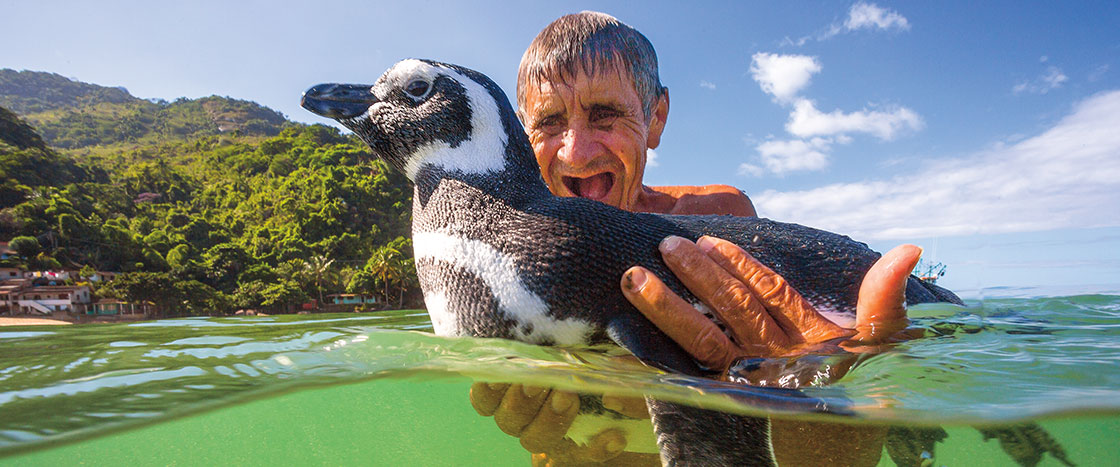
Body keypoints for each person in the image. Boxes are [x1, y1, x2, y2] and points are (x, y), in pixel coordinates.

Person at [469, 11, 919, 466]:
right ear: (523, 136)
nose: (575, 151)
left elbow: (782, 359)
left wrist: (814, 379)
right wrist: (557, 446)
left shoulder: (720, 217)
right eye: (548, 121)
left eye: (605, 116)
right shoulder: (508, 266)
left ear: (656, 117)